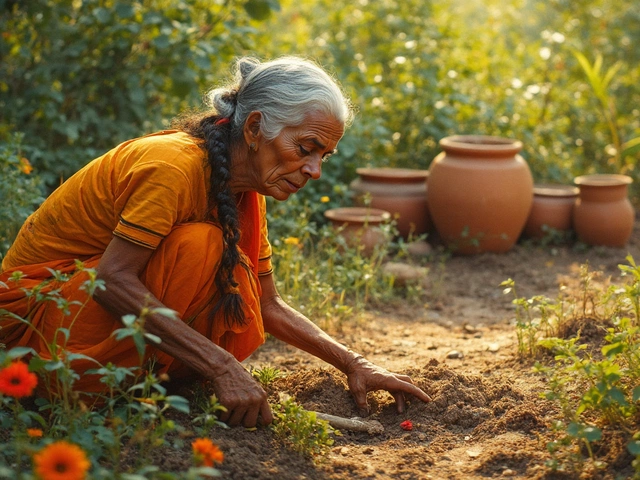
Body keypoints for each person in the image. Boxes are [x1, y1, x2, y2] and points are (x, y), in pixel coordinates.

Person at [0, 56, 431, 427]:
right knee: (200, 246)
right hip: (36, 334)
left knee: (214, 254)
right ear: (257, 127)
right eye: (306, 148)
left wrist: (354, 364)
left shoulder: (243, 187)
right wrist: (220, 366)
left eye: (323, 155)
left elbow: (268, 304)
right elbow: (111, 280)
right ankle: (94, 389)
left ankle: (152, 381)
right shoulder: (172, 166)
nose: (314, 169)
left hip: (81, 317)